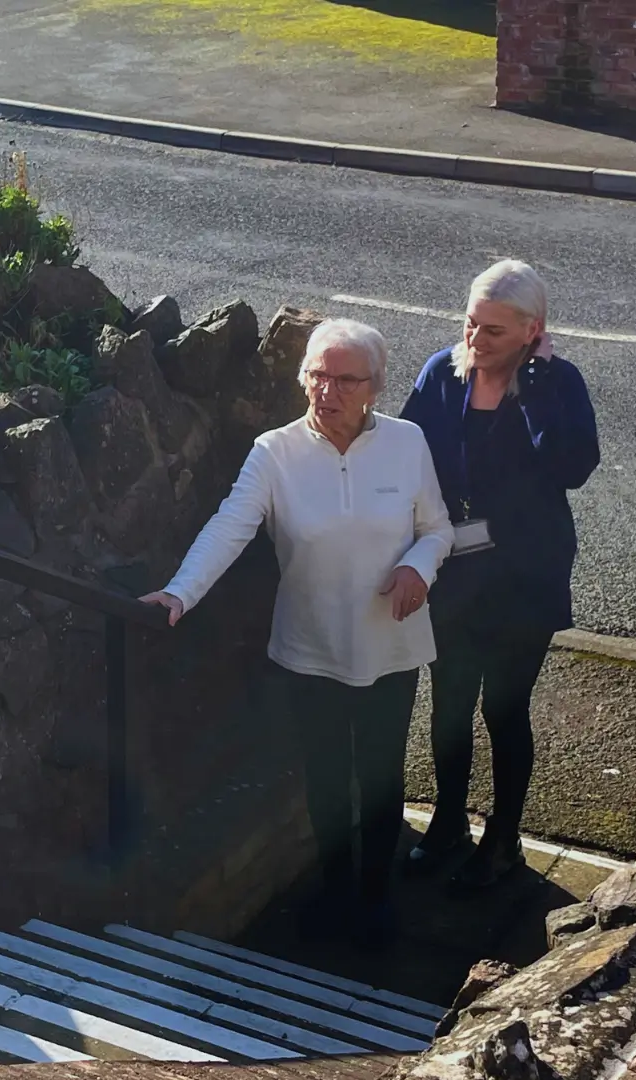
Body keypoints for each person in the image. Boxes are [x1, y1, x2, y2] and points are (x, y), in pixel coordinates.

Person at [141, 317, 453, 947]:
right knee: (327, 778)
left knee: (383, 775)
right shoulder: (274, 452)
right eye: (316, 374)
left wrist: (417, 568)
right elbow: (230, 526)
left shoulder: (407, 442)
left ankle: (376, 896)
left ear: (375, 387)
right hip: (310, 647)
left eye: (344, 379)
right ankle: (336, 894)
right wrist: (180, 591)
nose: (326, 390)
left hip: (390, 644)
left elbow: (437, 529)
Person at [399, 260, 600, 892]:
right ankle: (448, 822)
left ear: (530, 330)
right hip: (453, 571)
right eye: (469, 324)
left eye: (492, 331)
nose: (475, 340)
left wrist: (535, 385)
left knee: (505, 709)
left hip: (522, 578)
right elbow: (406, 449)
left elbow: (572, 466)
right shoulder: (441, 371)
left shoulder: (558, 383)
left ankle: (504, 838)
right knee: (450, 704)